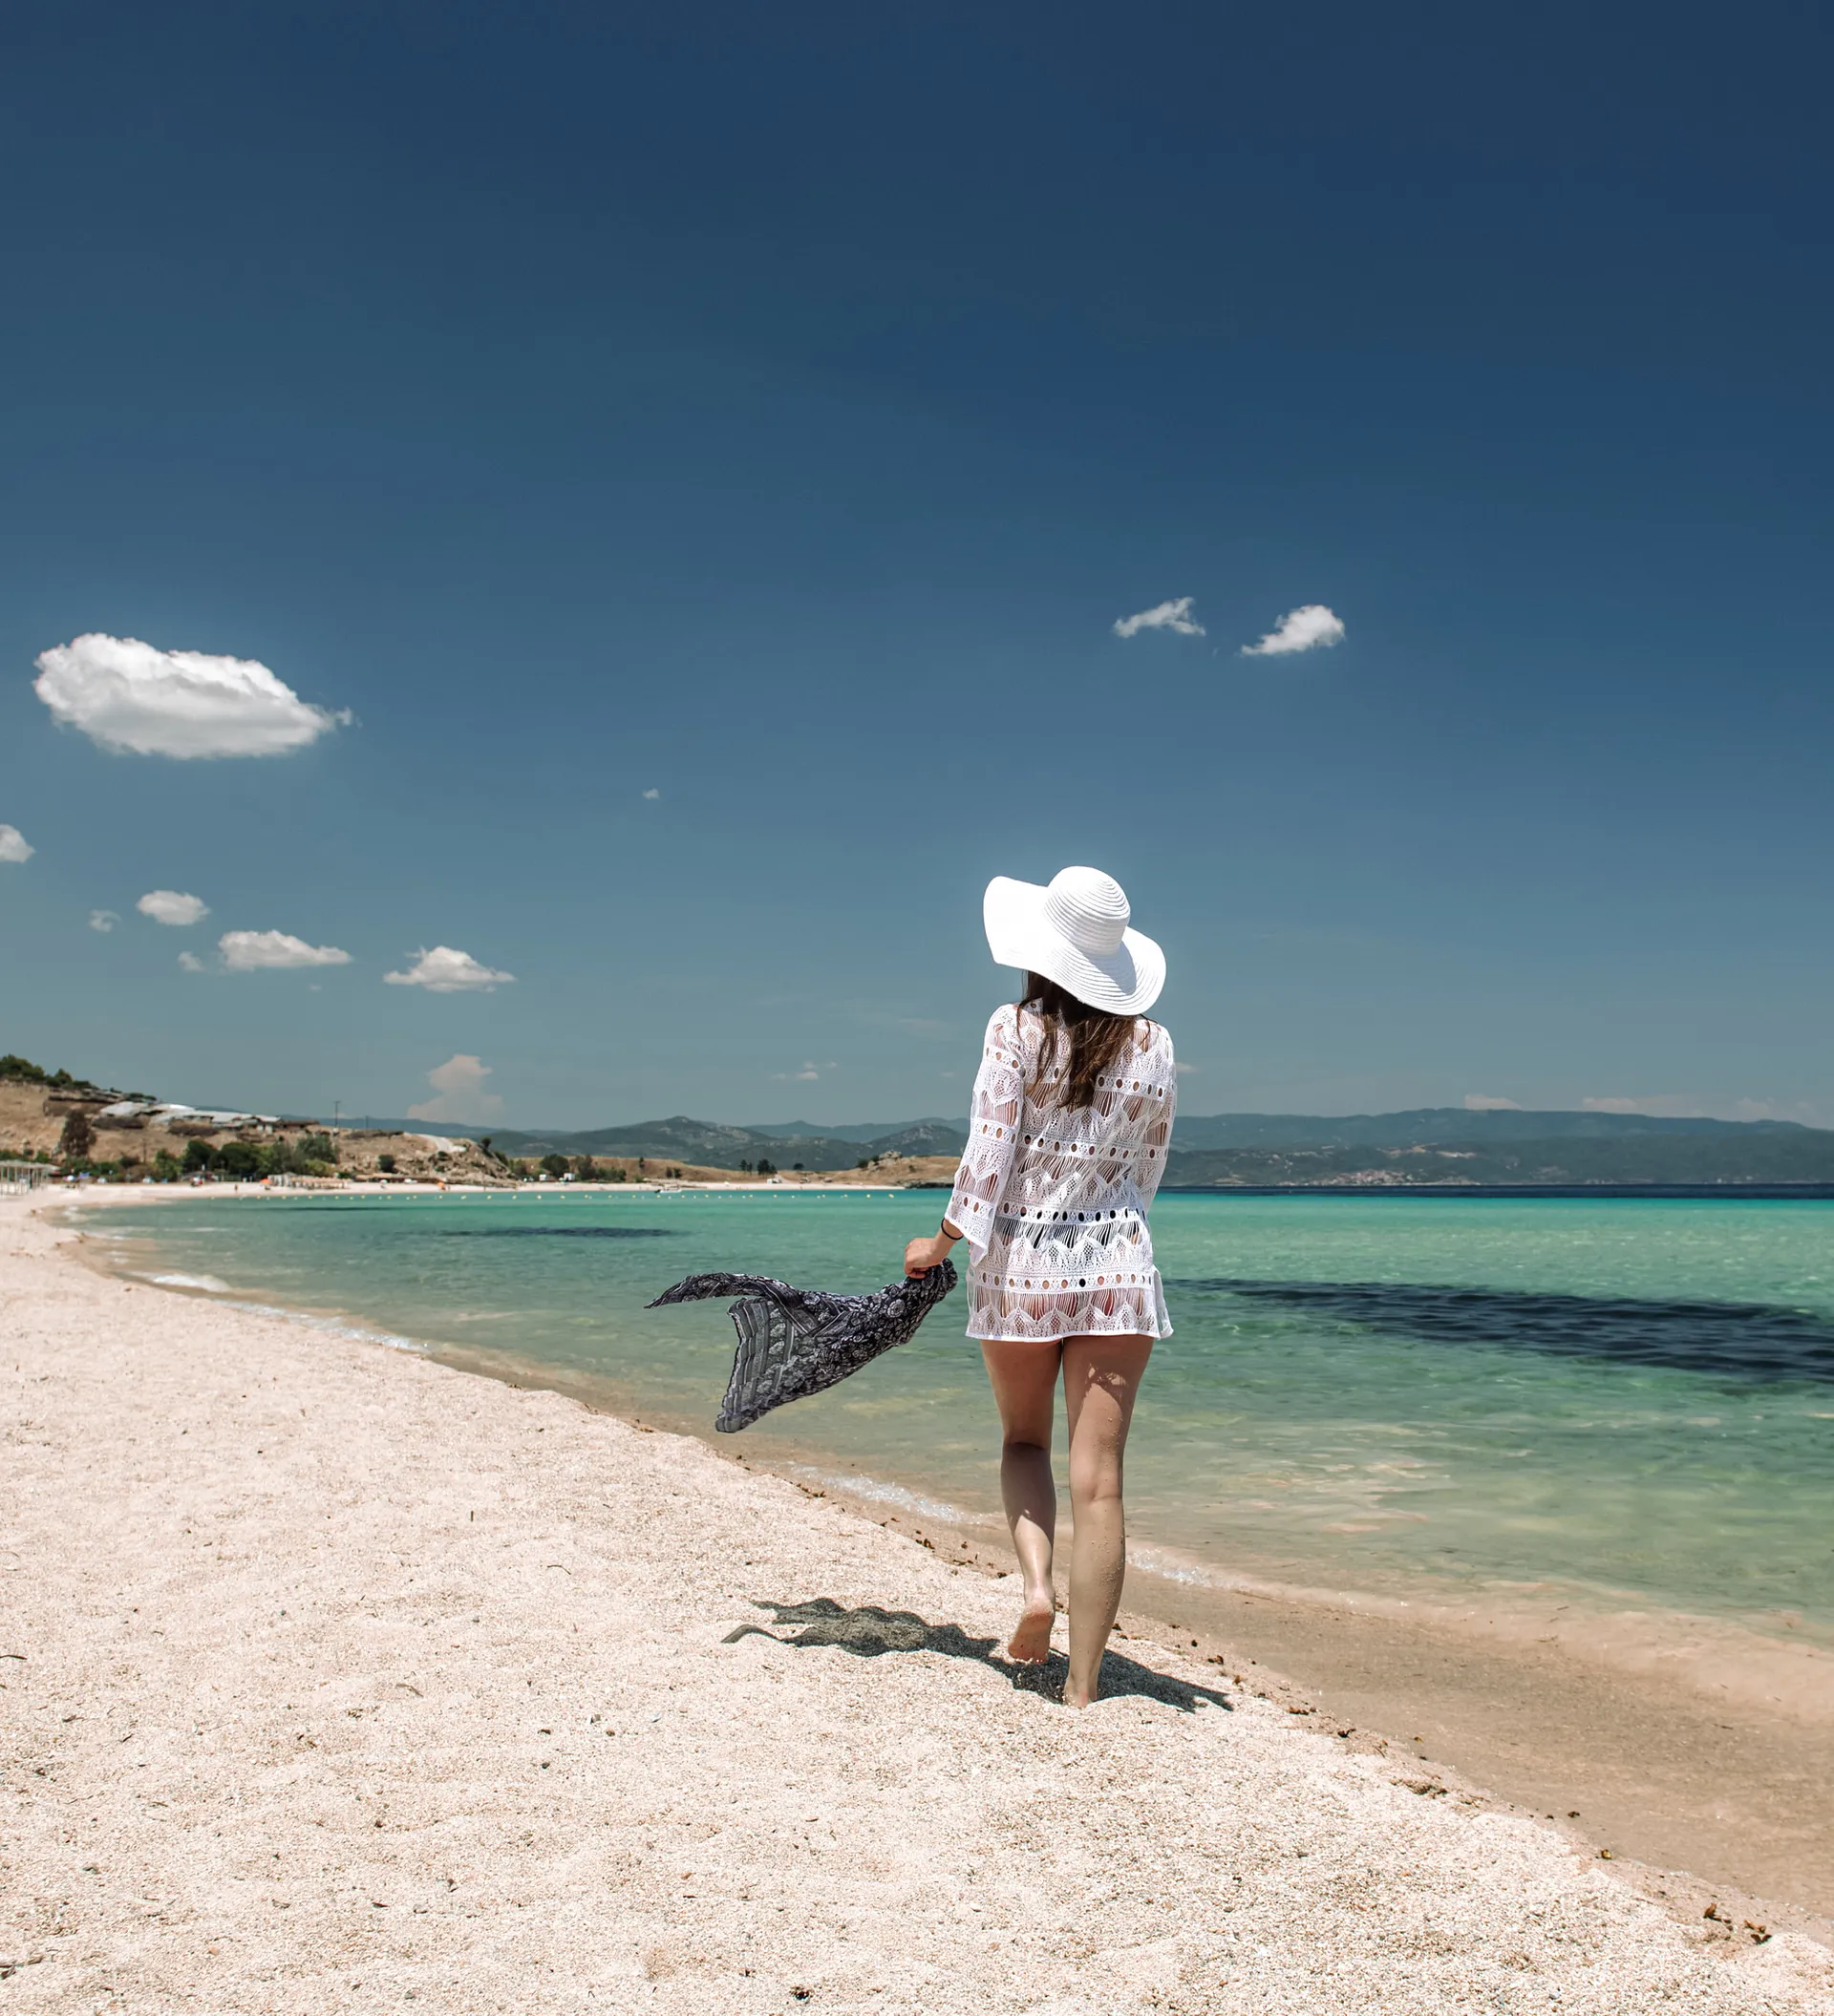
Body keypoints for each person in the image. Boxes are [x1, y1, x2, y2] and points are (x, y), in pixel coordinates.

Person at [904, 866, 1174, 1708]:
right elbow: (1148, 1169)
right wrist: (1111, 1232)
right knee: (1102, 1480)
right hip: (1118, 1271)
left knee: (1024, 1443)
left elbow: (986, 1160)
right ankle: (1084, 1687)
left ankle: (1034, 1588)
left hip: (1020, 1270)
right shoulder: (1157, 1045)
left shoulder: (1013, 1028)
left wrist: (937, 1244)